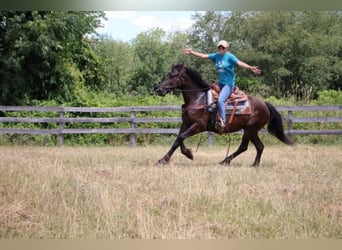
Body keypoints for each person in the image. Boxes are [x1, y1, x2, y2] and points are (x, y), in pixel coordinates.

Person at [183, 40, 262, 131]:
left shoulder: (230, 57)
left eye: (223, 47)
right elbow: (203, 56)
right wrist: (191, 52)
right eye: (219, 47)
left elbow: (240, 63)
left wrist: (250, 67)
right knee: (208, 93)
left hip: (228, 84)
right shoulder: (216, 56)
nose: (221, 49)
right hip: (220, 83)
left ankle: (223, 122)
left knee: (220, 100)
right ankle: (209, 117)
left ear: (226, 48)